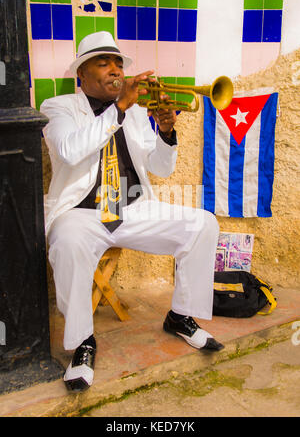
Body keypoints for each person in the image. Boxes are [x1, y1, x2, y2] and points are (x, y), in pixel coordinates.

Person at [40, 31, 224, 393]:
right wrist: (119, 108)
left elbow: (161, 167)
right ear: (82, 75)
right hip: (82, 212)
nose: (115, 70)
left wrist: (166, 133)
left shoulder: (138, 112)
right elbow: (69, 151)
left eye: (119, 63)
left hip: (133, 206)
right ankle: (82, 343)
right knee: (68, 240)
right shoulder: (59, 107)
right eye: (104, 62)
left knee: (203, 223)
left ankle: (180, 316)